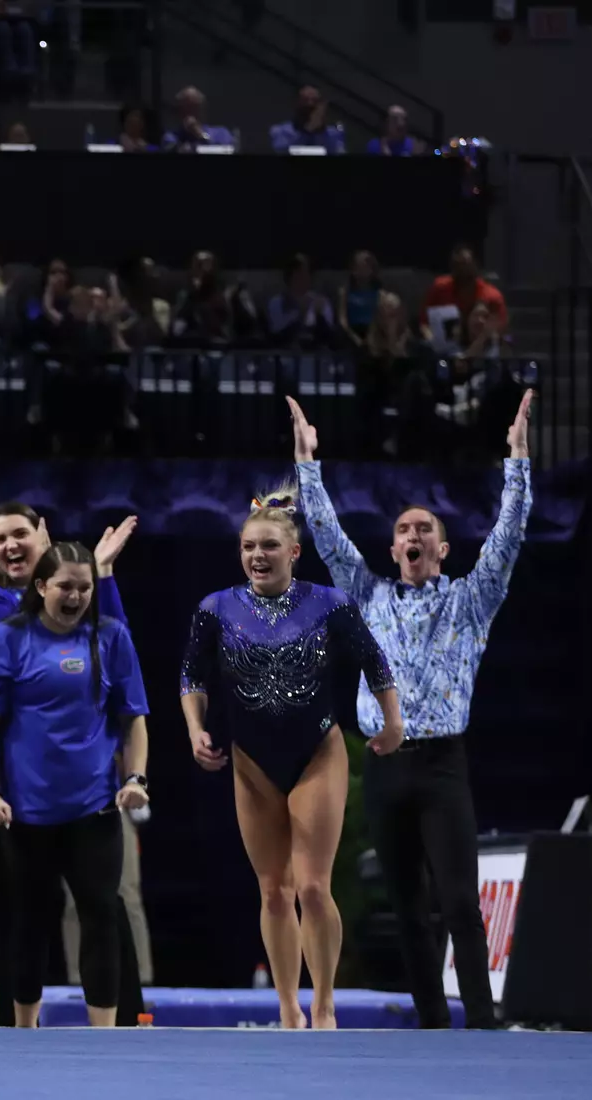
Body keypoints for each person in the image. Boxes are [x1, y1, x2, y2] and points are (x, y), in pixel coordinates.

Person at [288, 392, 533, 1030]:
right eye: (404, 530)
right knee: (404, 901)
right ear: (394, 548)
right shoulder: (366, 595)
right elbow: (328, 538)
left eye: (426, 529)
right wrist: (307, 464)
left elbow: (508, 537)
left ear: (443, 549)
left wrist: (517, 461)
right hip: (387, 764)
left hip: (443, 767)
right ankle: (431, 1022)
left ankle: (481, 1021)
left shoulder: (472, 602)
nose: (414, 535)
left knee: (457, 901)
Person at [181, 486, 405, 1028]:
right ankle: (287, 1008)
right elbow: (192, 675)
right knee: (274, 891)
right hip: (252, 761)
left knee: (311, 885)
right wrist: (194, 729)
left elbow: (376, 664)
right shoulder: (215, 609)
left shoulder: (330, 604)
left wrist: (393, 720)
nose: (257, 556)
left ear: (293, 552)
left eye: (268, 547)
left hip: (317, 754)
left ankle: (324, 1003)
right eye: (248, 547)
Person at [0, 503, 143, 1022]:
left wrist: (134, 777)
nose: (10, 546)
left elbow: (127, 697)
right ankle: (23, 1035)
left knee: (104, 912)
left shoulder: (105, 630)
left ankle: (115, 1028)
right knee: (27, 918)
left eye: (21, 534)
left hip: (93, 802)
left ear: (42, 533)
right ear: (42, 585)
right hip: (23, 805)